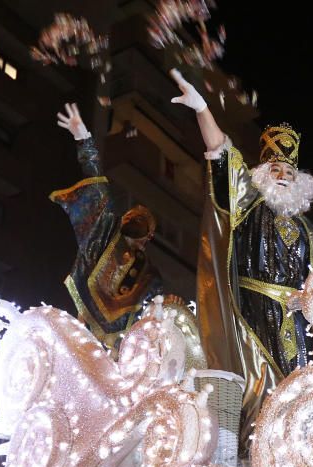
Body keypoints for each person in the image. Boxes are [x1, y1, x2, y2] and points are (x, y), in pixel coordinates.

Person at [169, 70, 313, 455]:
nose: (282, 177)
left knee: (298, 400)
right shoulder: (247, 203)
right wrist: (202, 108)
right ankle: (240, 460)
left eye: (289, 173)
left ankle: (290, 465)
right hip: (249, 315)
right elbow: (221, 155)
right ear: (263, 175)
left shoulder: (306, 230)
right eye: (275, 171)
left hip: (295, 326)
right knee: (251, 391)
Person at [52, 103, 203, 361]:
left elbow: (152, 302)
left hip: (118, 346)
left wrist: (169, 302)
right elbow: (99, 188)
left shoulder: (148, 272)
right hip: (85, 326)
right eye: (136, 224)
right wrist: (83, 139)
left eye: (145, 232)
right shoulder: (104, 238)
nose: (140, 235)